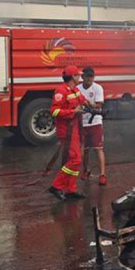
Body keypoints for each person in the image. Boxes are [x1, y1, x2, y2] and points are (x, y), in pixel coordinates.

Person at [47, 65, 88, 201]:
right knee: (75, 159)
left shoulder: (75, 90)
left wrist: (92, 106)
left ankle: (71, 190)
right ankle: (56, 186)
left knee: (76, 160)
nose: (80, 77)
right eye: (78, 75)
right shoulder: (61, 91)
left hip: (75, 129)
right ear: (73, 77)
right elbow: (54, 111)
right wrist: (72, 112)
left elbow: (82, 100)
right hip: (67, 131)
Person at [78, 66, 107, 186]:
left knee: (98, 149)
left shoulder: (98, 88)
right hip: (82, 122)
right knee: (84, 150)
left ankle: (102, 174)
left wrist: (90, 105)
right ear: (82, 77)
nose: (89, 79)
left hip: (95, 121)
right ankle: (86, 171)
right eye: (87, 76)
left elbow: (99, 105)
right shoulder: (77, 89)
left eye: (91, 76)